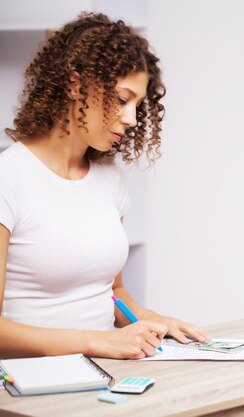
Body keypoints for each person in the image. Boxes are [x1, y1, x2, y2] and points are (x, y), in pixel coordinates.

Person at [0, 12, 208, 359]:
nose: (130, 119)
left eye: (138, 106)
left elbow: (113, 291)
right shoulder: (9, 177)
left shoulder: (110, 179)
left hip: (106, 370)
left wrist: (151, 320)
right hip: (30, 386)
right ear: (75, 85)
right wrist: (98, 341)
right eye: (122, 99)